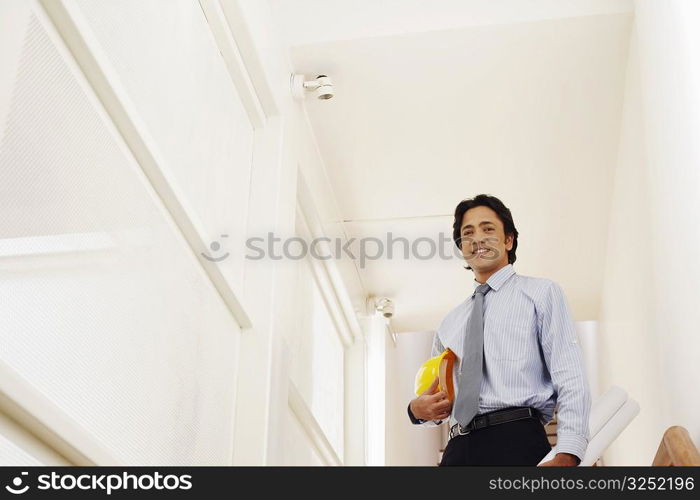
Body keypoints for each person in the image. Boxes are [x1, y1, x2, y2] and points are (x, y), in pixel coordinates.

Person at [408, 194, 591, 466]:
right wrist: (417, 411)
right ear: (461, 247)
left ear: (509, 240)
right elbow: (438, 399)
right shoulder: (449, 323)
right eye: (467, 233)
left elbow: (569, 373)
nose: (477, 238)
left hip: (517, 439)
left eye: (488, 229)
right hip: (457, 449)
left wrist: (569, 451)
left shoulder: (541, 294)